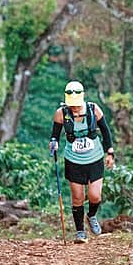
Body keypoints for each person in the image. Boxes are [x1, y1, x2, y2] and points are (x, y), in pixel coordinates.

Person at [50, 81, 115, 243]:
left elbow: (106, 131)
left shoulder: (94, 109)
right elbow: (55, 135)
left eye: (77, 105)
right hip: (73, 160)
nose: (74, 108)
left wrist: (110, 153)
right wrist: (54, 143)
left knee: (95, 195)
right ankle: (80, 232)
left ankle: (91, 215)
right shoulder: (61, 113)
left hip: (94, 158)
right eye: (71, 105)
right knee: (77, 198)